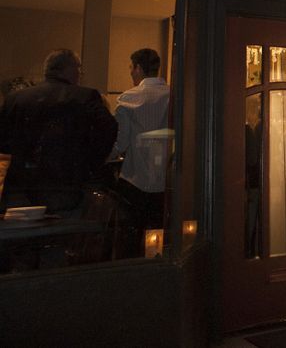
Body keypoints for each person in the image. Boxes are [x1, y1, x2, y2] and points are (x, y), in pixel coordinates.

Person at [0, 49, 117, 214]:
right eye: (79, 70)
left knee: (19, 227)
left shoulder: (16, 99)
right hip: (65, 182)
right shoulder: (84, 96)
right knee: (65, 225)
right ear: (71, 69)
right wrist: (90, 162)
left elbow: (3, 140)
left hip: (21, 183)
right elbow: (109, 128)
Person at [111, 48, 170, 255]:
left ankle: (134, 267)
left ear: (138, 68)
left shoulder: (129, 98)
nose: (130, 72)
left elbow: (120, 143)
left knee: (131, 235)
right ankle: (155, 263)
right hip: (166, 180)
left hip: (135, 179)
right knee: (159, 235)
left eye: (131, 67)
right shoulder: (174, 95)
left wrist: (105, 157)